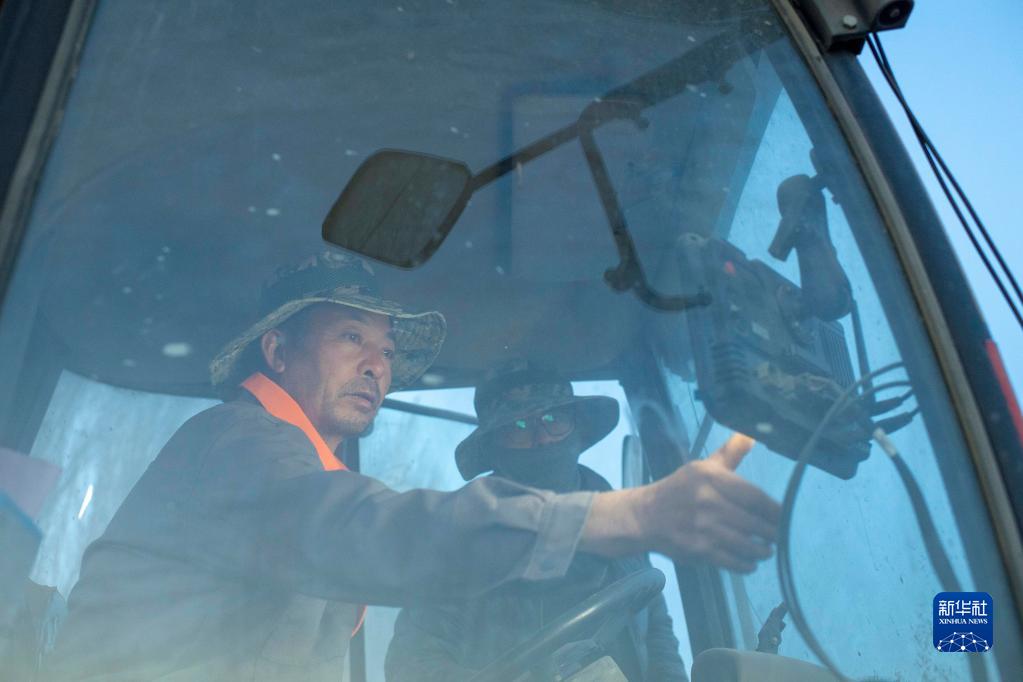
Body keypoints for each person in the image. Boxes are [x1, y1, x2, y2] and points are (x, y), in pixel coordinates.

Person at [44, 251, 780, 681]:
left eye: (388, 352)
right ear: (277, 351)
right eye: (351, 338)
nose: (377, 366)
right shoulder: (238, 443)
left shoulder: (295, 467)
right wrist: (630, 514)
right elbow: (367, 533)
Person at [385, 364, 689, 681]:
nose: (542, 439)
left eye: (554, 420)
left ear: (578, 428)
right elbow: (412, 664)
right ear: (494, 447)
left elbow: (656, 629)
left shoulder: (621, 525)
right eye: (519, 427)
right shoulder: (460, 542)